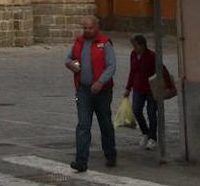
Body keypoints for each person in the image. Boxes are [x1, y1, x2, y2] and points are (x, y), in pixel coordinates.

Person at [64, 15, 116, 172]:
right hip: (83, 90)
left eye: (90, 28)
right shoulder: (79, 42)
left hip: (102, 92)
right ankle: (81, 161)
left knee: (105, 123)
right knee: (83, 126)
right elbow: (68, 58)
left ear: (96, 27)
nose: (87, 30)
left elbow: (111, 66)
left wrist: (101, 82)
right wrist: (70, 64)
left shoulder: (105, 43)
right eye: (85, 28)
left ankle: (110, 154)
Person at [124, 34, 158, 150]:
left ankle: (153, 138)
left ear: (142, 45)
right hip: (138, 88)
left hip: (151, 90)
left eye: (136, 45)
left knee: (151, 113)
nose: (134, 48)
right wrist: (128, 88)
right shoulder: (133, 55)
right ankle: (145, 132)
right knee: (136, 110)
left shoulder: (152, 56)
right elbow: (132, 72)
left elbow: (160, 71)